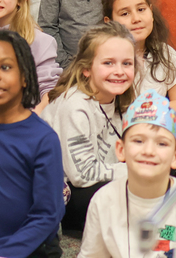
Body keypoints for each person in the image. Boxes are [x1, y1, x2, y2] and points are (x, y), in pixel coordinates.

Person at [79, 90, 176, 258]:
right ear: (121, 150)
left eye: (161, 144)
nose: (148, 150)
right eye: (138, 141)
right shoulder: (103, 201)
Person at [0, 30, 64, 258]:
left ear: (25, 76)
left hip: (33, 246)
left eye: (5, 67)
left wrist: (4, 253)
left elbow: (47, 215)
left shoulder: (44, 139)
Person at [101, 0, 176, 182]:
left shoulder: (164, 53)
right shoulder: (104, 58)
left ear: (151, 11)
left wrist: (147, 113)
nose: (136, 18)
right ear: (109, 21)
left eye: (141, 9)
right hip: (117, 135)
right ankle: (163, 172)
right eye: (125, 14)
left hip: (155, 130)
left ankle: (146, 173)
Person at [43, 23, 135, 234]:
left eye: (127, 63)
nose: (119, 71)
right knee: (142, 193)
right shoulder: (75, 106)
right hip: (65, 191)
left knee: (157, 186)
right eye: (108, 63)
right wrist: (137, 170)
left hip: (97, 179)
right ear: (86, 68)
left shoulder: (119, 100)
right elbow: (81, 175)